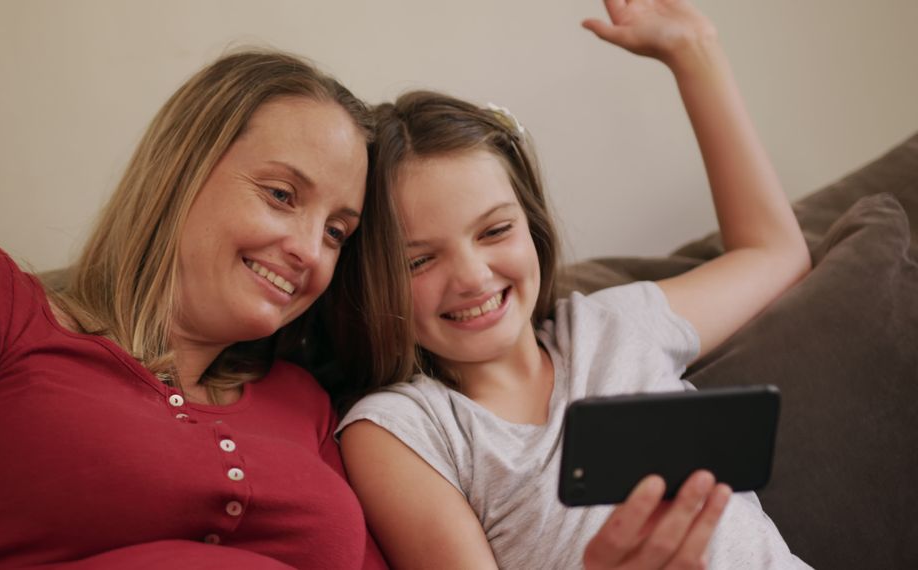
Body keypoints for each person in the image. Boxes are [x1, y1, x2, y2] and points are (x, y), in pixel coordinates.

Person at [0, 50, 414, 569]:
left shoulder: (305, 403)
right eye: (282, 196)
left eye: (337, 232)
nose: (309, 252)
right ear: (181, 171)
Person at [339, 1, 813, 568]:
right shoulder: (403, 430)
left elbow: (775, 253)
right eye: (418, 261)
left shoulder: (614, 325)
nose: (471, 276)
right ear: (374, 282)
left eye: (494, 230)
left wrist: (695, 54)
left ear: (532, 227)